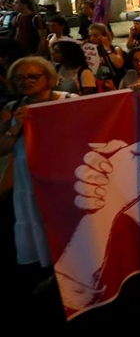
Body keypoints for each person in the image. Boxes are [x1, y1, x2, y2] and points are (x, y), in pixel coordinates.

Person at [0, 57, 77, 283]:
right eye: (20, 77)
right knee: (40, 221)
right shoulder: (12, 109)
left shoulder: (69, 100)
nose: (26, 81)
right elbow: (2, 148)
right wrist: (15, 127)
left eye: (33, 76)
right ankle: (52, 273)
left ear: (47, 77)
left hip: (64, 178)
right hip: (30, 180)